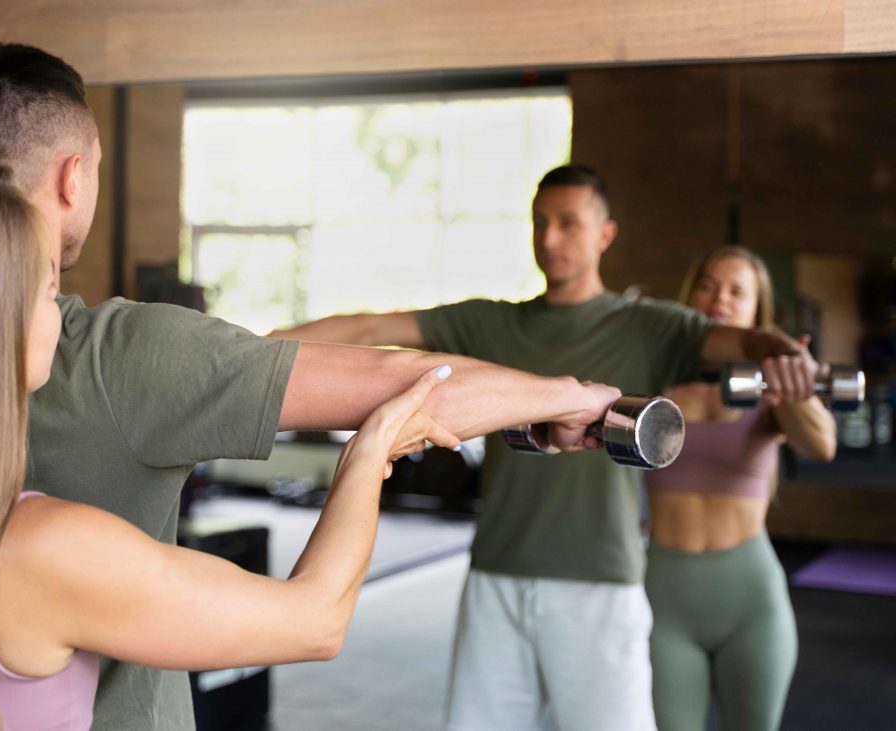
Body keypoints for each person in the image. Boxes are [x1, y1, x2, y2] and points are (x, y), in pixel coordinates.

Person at [0, 44, 624, 731]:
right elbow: (414, 395)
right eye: (46, 295)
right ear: (74, 177)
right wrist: (573, 399)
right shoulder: (100, 400)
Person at [0, 165, 466, 731]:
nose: (60, 312)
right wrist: (367, 454)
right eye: (48, 292)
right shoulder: (40, 548)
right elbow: (315, 621)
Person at [272, 165, 821, 730]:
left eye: (568, 222)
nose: (550, 237)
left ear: (605, 234)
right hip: (497, 574)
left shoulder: (651, 327)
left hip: (601, 583)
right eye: (540, 222)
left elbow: (744, 339)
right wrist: (251, 352)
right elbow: (369, 331)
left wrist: (782, 352)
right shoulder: (490, 323)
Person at [644, 245, 836, 731]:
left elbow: (821, 445)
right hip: (665, 594)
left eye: (736, 291)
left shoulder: (772, 391)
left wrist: (794, 387)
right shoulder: (656, 379)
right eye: (708, 286)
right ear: (690, 297)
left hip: (749, 597)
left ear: (757, 311)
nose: (720, 300)